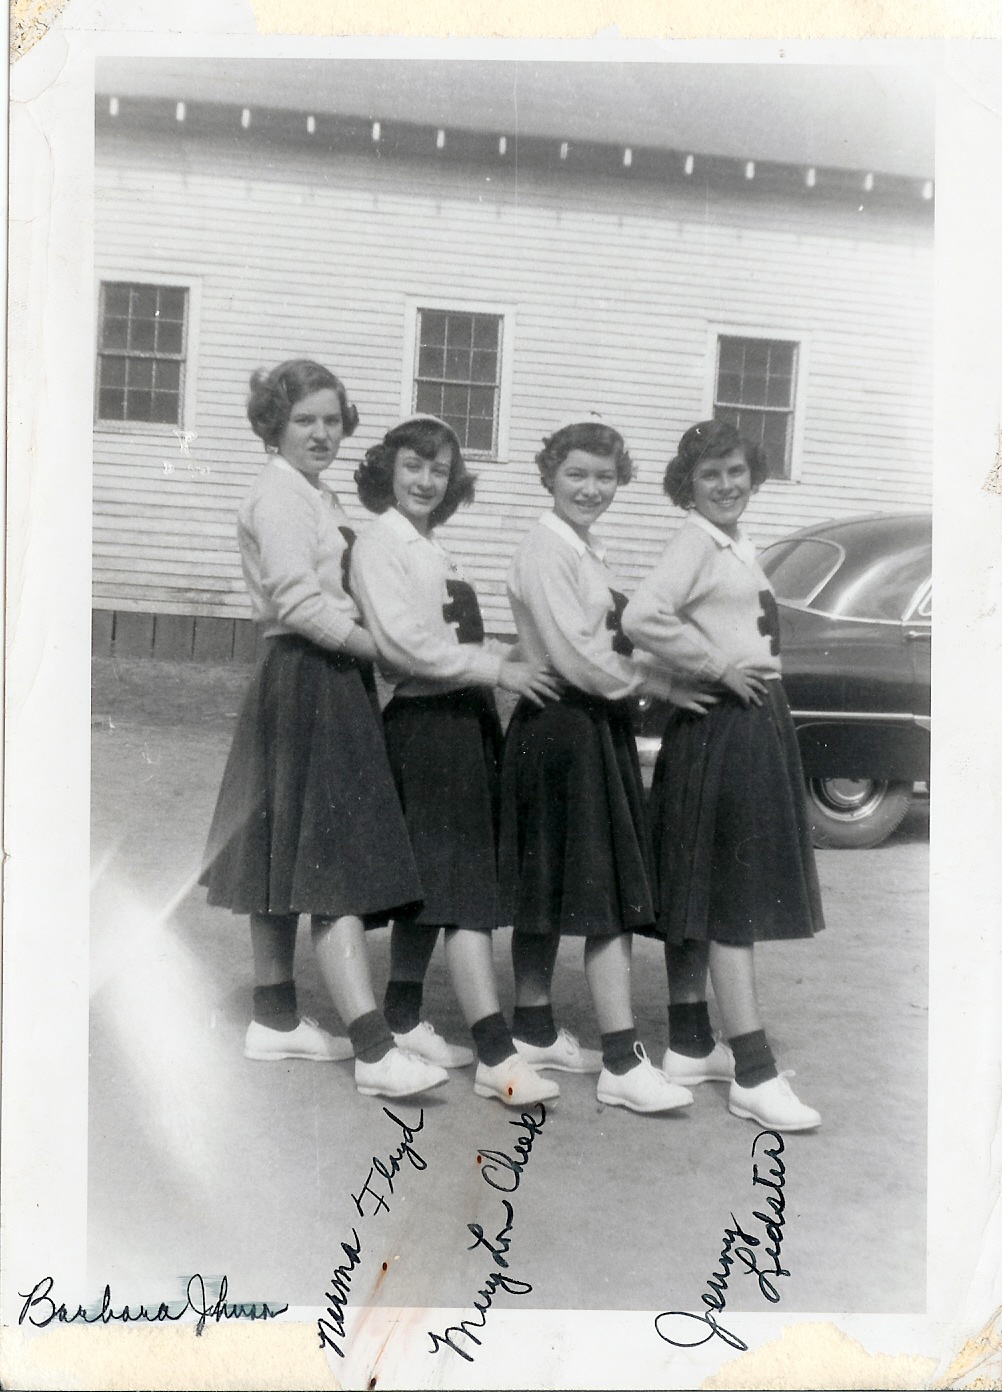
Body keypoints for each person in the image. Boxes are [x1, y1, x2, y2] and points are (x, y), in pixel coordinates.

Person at [200, 360, 448, 1101]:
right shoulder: (280, 494)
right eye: (305, 419)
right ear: (274, 424)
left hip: (308, 678)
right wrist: (389, 650)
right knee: (330, 861)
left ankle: (275, 1019)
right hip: (309, 672)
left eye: (332, 420)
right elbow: (300, 604)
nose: (321, 433)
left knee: (283, 852)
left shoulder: (307, 492)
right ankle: (374, 1050)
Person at [350, 414, 561, 1108]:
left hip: (463, 722)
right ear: (388, 469)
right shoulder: (383, 543)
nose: (425, 480)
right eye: (413, 465)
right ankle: (496, 1056)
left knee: (435, 887)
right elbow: (405, 646)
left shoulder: (428, 544)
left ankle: (404, 1015)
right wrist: (495, 667)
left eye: (438, 470)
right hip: (427, 725)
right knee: (466, 892)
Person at [622, 418, 824, 1131]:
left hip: (751, 720)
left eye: (736, 471)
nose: (727, 484)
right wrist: (710, 669)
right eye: (711, 475)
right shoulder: (694, 541)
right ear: (690, 484)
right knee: (731, 893)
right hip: (726, 725)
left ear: (753, 474)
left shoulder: (731, 544)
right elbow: (643, 614)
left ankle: (687, 1040)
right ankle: (755, 1073)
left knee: (703, 885)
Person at [498, 421, 698, 1115]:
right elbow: (580, 657)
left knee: (552, 885)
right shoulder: (546, 550)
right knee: (602, 895)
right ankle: (620, 1059)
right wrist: (659, 683)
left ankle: (530, 1028)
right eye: (577, 474)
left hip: (583, 726)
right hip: (565, 724)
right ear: (549, 475)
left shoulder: (580, 548)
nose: (591, 488)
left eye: (605, 477)